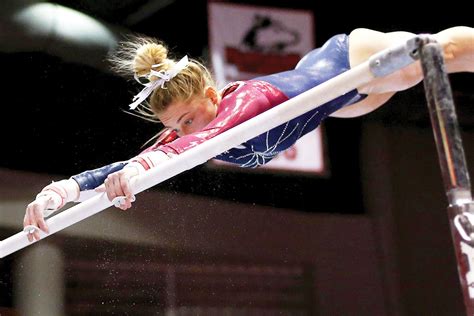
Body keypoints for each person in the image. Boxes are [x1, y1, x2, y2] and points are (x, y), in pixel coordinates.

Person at [23, 26, 474, 241]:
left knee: (436, 52)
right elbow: (123, 167)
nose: (183, 133)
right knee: (412, 74)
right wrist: (59, 193)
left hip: (348, 60)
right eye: (174, 128)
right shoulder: (183, 140)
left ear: (212, 94)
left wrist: (145, 165)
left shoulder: (245, 101)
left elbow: (205, 136)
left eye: (187, 120)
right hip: (348, 103)